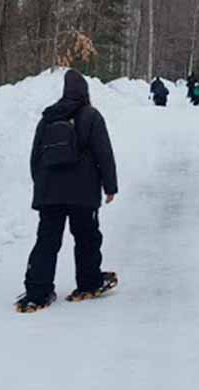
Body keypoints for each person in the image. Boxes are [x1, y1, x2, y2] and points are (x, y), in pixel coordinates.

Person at [15, 68, 119, 313]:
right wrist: (110, 186)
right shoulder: (91, 116)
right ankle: (89, 282)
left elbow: (35, 157)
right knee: (86, 238)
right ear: (85, 93)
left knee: (47, 240)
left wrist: (41, 186)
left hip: (49, 192)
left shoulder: (48, 117)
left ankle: (37, 292)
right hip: (82, 193)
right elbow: (104, 153)